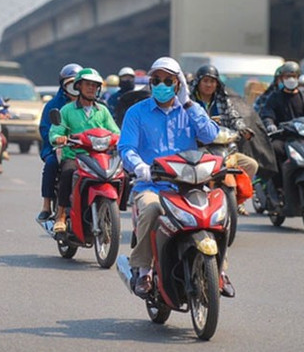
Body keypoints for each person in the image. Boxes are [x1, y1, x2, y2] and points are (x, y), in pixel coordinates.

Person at [118, 57, 233, 298]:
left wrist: (189, 104)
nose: (162, 84)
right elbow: (126, 147)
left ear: (178, 83)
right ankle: (142, 270)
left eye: (168, 80)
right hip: (152, 185)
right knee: (150, 210)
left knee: (219, 211)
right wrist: (139, 166)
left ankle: (219, 270)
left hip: (189, 185)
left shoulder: (190, 110)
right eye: (156, 80)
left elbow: (210, 134)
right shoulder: (136, 113)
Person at [49, 68, 120, 233]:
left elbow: (116, 132)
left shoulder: (102, 111)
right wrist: (60, 137)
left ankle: (112, 212)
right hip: (75, 156)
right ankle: (60, 215)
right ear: (78, 87)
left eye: (94, 86)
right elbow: (56, 131)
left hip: (100, 157)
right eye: (87, 85)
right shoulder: (67, 110)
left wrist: (119, 139)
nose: (91, 88)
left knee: (121, 174)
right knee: (68, 173)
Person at [191, 64, 258, 215]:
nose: (209, 85)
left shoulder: (222, 100)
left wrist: (243, 129)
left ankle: (238, 201)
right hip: (198, 149)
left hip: (223, 148)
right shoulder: (190, 101)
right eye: (206, 81)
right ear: (198, 83)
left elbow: (234, 116)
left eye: (212, 81)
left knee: (251, 165)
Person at [260, 61, 304, 206]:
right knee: (274, 151)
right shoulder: (275, 97)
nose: (291, 79)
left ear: (298, 78)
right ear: (282, 78)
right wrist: (270, 124)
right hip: (283, 138)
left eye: (293, 76)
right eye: (287, 76)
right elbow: (267, 114)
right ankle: (278, 190)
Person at [36, 62, 81, 222]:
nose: (75, 88)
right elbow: (45, 128)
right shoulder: (53, 105)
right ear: (63, 85)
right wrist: (57, 140)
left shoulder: (93, 105)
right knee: (51, 165)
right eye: (70, 84)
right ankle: (47, 205)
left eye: (77, 84)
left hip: (85, 148)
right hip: (58, 148)